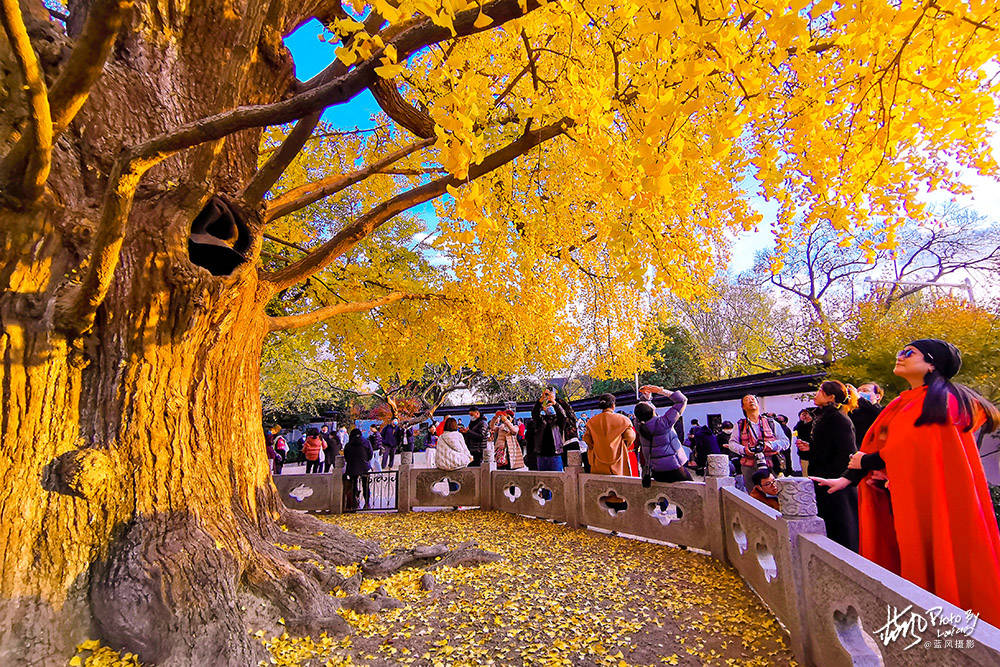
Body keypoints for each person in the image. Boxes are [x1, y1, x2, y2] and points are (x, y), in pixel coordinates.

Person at [814, 339, 1000, 626]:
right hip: (901, 498)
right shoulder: (902, 403)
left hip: (935, 499)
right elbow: (880, 443)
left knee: (939, 562)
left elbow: (917, 448)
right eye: (900, 350)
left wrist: (868, 462)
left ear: (931, 363)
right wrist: (848, 478)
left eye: (908, 353)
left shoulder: (943, 400)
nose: (899, 356)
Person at [801, 380, 859, 551]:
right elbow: (826, 449)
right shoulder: (824, 417)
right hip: (823, 478)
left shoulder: (839, 419)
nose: (816, 394)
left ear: (830, 397)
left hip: (836, 482)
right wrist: (809, 449)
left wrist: (841, 478)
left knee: (842, 527)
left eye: (820, 391)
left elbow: (847, 452)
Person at [726, 395, 790, 490]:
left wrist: (769, 445)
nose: (751, 401)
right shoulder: (739, 425)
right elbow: (732, 444)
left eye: (753, 399)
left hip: (771, 463)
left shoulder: (771, 423)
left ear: (758, 404)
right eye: (747, 400)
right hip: (749, 466)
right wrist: (744, 450)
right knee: (754, 495)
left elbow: (785, 442)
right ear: (743, 407)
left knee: (776, 492)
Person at [634, 386, 691, 483]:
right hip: (674, 466)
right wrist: (661, 391)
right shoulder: (663, 423)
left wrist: (647, 398)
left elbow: (642, 411)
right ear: (653, 411)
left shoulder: (638, 425)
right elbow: (682, 400)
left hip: (656, 470)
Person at [583, 393, 636, 475]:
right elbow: (630, 437)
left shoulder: (591, 421)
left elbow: (587, 439)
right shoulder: (624, 420)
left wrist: (594, 447)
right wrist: (625, 445)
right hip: (619, 459)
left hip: (598, 460)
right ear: (613, 405)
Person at [532, 387, 568, 471]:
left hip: (555, 454)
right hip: (541, 455)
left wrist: (554, 403)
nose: (549, 407)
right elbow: (535, 413)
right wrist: (541, 399)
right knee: (542, 481)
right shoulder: (541, 420)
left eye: (550, 406)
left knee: (557, 481)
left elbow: (563, 415)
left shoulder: (558, 421)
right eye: (547, 406)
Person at [343, 428, 373, 510]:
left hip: (352, 467)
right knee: (365, 485)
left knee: (353, 485)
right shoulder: (366, 442)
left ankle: (354, 503)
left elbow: (346, 456)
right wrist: (365, 460)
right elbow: (370, 454)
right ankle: (367, 503)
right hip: (364, 467)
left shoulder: (348, 445)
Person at [850, 381, 884, 449]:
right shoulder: (852, 411)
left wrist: (859, 398)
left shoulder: (881, 411)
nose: (859, 393)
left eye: (865, 390)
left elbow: (877, 413)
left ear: (877, 396)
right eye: (858, 391)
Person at [793, 409, 814, 476]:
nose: (805, 416)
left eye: (806, 414)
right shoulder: (799, 426)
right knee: (805, 474)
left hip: (814, 452)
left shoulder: (815, 425)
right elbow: (796, 433)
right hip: (804, 454)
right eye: (802, 414)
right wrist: (802, 421)